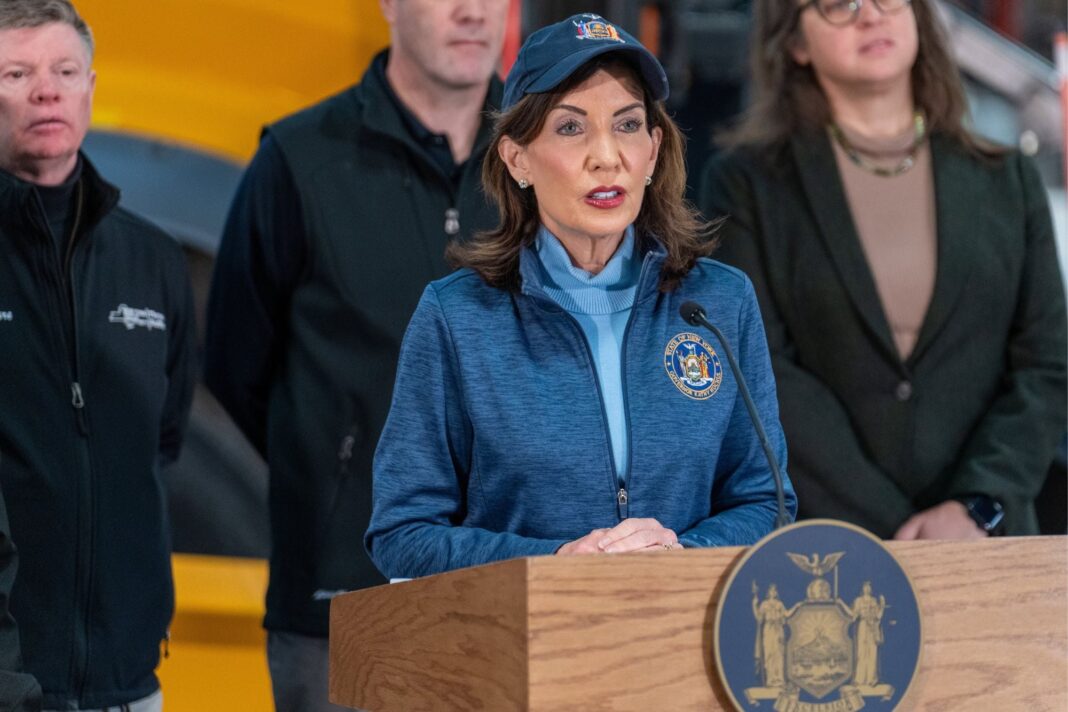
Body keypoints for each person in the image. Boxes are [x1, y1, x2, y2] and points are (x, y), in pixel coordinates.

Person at [365, 13, 797, 580]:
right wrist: (556, 565)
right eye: (571, 128)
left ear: (653, 150)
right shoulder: (457, 316)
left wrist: (681, 554)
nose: (606, 156)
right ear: (516, 157)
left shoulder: (720, 302)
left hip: (684, 642)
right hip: (521, 649)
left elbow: (768, 503)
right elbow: (402, 534)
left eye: (627, 125)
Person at [203, 1, 509, 709]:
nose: (472, 12)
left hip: (511, 592)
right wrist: (336, 467)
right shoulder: (299, 159)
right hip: (342, 601)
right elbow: (234, 362)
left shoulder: (551, 159)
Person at [700, 0, 1067, 539]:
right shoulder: (745, 185)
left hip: (986, 546)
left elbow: (1046, 364)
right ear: (795, 43)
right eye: (837, 5)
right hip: (827, 550)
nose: (870, 15)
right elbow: (758, 372)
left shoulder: (1007, 178)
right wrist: (895, 529)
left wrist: (975, 506)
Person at [0, 1, 197, 710]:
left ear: (90, 88)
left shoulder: (152, 258)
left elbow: (162, 437)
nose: (46, 90)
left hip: (129, 677)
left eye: (64, 70)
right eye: (17, 73)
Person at [845, 581, 885, 686]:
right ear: (862, 588)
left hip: (872, 627)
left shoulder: (874, 601)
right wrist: (841, 604)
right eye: (865, 586)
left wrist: (882, 606)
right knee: (861, 652)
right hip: (862, 627)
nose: (867, 589)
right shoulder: (858, 601)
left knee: (872, 652)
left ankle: (872, 679)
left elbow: (878, 616)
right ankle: (859, 679)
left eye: (869, 587)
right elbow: (853, 615)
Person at [752, 583, 787, 687]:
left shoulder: (780, 604)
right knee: (769, 654)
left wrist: (797, 606)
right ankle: (771, 679)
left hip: (778, 630)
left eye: (775, 590)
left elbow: (786, 615)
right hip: (768, 631)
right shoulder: (764, 604)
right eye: (771, 590)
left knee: (779, 654)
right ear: (768, 592)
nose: (773, 592)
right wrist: (754, 605)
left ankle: (780, 679)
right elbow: (759, 618)